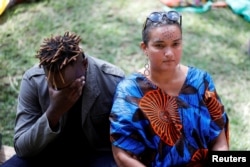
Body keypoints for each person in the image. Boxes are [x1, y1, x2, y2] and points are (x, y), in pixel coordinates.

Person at [109, 10, 229, 167]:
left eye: (176, 44)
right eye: (159, 46)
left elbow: (220, 142)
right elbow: (121, 154)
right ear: (144, 48)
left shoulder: (200, 81)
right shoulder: (130, 91)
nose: (169, 53)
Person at [1, 31, 125, 167]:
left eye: (70, 87)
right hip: (48, 154)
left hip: (95, 156)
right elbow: (22, 149)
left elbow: (125, 141)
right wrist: (54, 111)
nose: (63, 93)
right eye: (55, 87)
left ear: (84, 65)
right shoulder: (33, 81)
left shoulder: (113, 80)